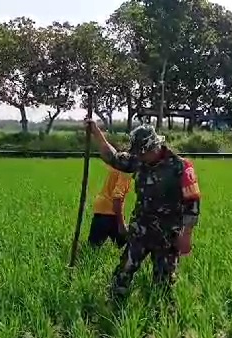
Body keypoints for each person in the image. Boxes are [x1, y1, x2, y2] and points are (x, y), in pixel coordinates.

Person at [85, 119, 201, 305]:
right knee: (124, 271)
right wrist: (96, 132)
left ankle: (161, 315)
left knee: (163, 282)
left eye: (142, 153)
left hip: (167, 235)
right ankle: (114, 306)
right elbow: (113, 157)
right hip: (141, 229)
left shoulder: (180, 167)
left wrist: (186, 235)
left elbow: (192, 202)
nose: (139, 156)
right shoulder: (139, 161)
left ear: (154, 147)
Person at [88, 165, 133, 248]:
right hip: (112, 212)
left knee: (92, 247)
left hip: (100, 208)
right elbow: (117, 198)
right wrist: (121, 224)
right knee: (126, 244)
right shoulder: (126, 173)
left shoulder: (118, 166)